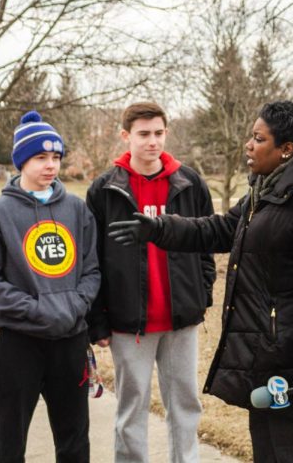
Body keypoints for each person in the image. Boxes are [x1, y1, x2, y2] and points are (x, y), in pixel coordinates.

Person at [109, 101, 293, 463]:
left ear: (286, 149)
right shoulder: (267, 188)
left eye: (259, 138)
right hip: (263, 350)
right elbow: (225, 229)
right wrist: (159, 228)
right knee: (267, 449)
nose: (248, 145)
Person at [85, 102, 215, 463]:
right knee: (132, 408)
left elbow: (206, 241)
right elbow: (92, 258)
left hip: (181, 320)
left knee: (186, 404)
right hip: (129, 324)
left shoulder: (189, 183)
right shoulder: (104, 189)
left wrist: (202, 294)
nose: (152, 142)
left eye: (158, 133)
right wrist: (98, 319)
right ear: (126, 136)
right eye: (143, 134)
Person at [0, 111, 101, 463]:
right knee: (10, 443)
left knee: (75, 442)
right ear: (20, 161)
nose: (51, 165)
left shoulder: (76, 209)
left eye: (56, 157)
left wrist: (73, 307)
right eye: (40, 157)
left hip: (70, 340)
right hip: (19, 343)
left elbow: (91, 271)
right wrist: (38, 309)